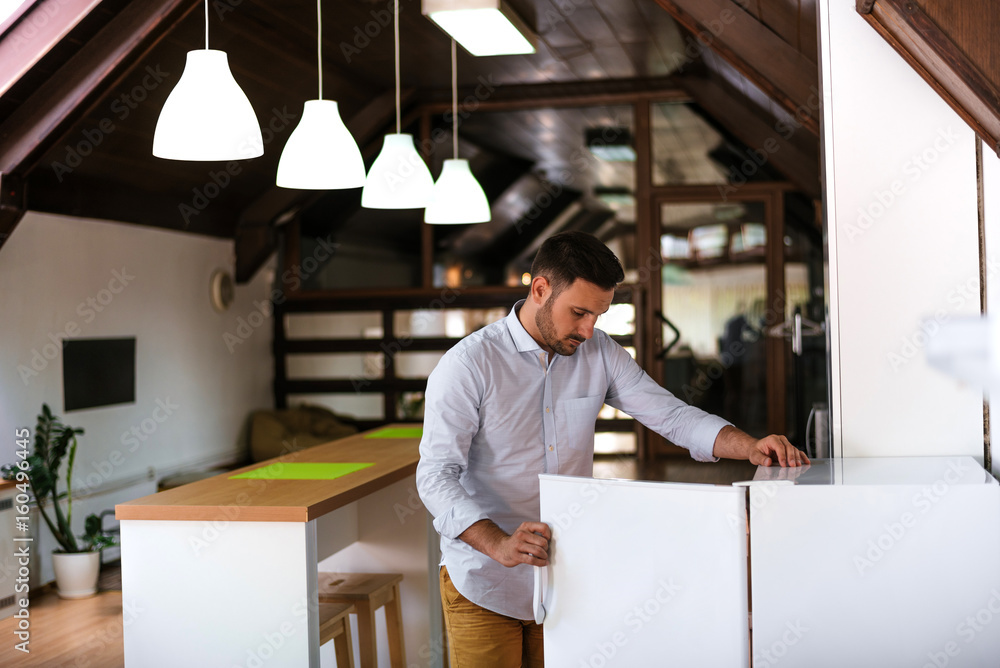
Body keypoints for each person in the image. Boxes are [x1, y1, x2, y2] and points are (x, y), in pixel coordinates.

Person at [416, 232, 808, 667]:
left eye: (599, 315)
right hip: (484, 582)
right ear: (540, 289)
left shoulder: (599, 352)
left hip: (567, 576)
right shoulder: (468, 366)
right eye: (579, 312)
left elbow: (672, 417)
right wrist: (500, 544)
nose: (588, 329)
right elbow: (435, 476)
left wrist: (751, 446)